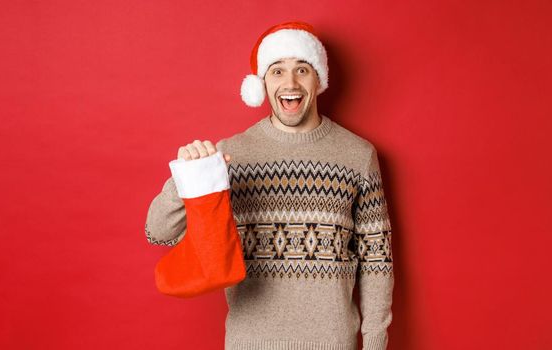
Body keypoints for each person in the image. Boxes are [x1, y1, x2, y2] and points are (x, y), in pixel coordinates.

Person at [145, 21, 394, 350]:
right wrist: (186, 179)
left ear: (318, 78)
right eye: (277, 71)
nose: (290, 82)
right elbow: (158, 232)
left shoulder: (357, 156)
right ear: (262, 82)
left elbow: (377, 261)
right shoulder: (229, 156)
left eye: (302, 69)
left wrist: (375, 344)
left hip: (333, 343)